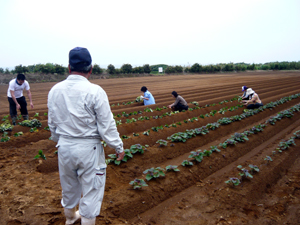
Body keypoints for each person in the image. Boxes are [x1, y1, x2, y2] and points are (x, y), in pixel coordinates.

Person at [47, 47, 125, 225]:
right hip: (89, 148)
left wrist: (58, 140)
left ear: (69, 67)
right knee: (92, 190)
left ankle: (70, 218)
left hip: (65, 146)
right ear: (90, 69)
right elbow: (107, 125)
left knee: (69, 187)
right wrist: (118, 146)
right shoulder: (95, 91)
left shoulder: (55, 90)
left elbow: (52, 122)